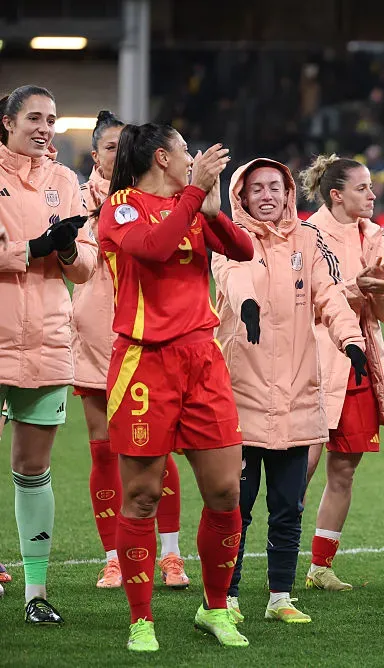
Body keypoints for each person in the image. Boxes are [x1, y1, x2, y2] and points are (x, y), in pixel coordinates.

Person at [98, 124, 255, 652]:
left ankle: (215, 608)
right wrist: (195, 196)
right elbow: (154, 249)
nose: (194, 158)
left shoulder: (191, 206)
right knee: (142, 495)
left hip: (202, 359)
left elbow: (242, 249)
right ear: (162, 157)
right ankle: (141, 619)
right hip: (144, 362)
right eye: (187, 151)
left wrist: (212, 209)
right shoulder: (122, 206)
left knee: (226, 492)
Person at [213, 158, 368, 625]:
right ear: (241, 196)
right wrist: (248, 306)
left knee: (287, 507)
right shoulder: (228, 236)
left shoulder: (307, 239)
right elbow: (233, 276)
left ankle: (280, 596)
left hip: (298, 391)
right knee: (235, 508)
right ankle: (226, 597)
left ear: (287, 193)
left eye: (275, 187)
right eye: (257, 188)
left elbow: (329, 294)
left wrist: (351, 340)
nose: (267, 195)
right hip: (242, 393)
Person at [74, 110, 190, 591]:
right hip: (95, 334)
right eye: (110, 147)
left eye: (125, 146)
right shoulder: (79, 200)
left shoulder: (165, 197)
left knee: (157, 448)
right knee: (104, 450)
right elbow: (79, 264)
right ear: (96, 155)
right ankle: (113, 558)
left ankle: (171, 554)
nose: (119, 154)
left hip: (149, 337)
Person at [0, 85, 97, 624]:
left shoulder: (65, 180)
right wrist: (32, 249)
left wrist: (66, 248)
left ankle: (35, 593)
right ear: (8, 122)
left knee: (33, 468)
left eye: (52, 119)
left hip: (48, 343)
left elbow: (85, 268)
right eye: (34, 118)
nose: (44, 128)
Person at [301, 156, 384, 592]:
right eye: (363, 188)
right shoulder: (308, 235)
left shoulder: (375, 237)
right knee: (299, 470)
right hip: (314, 364)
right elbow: (305, 304)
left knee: (343, 469)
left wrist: (382, 287)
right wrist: (357, 287)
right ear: (337, 195)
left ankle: (320, 567)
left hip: (360, 367)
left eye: (371, 186)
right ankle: (276, 562)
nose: (373, 194)